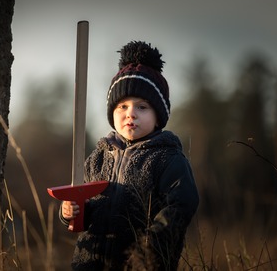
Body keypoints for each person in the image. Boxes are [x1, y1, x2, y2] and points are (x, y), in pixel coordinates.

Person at [59, 41, 199, 270]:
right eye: (122, 106)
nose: (130, 114)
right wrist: (70, 211)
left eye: (142, 107)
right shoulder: (98, 158)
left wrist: (152, 245)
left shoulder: (167, 158)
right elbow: (85, 206)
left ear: (158, 117)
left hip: (141, 263)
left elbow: (182, 204)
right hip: (91, 262)